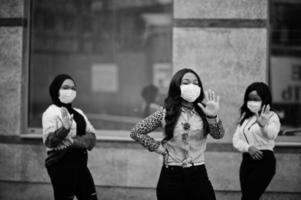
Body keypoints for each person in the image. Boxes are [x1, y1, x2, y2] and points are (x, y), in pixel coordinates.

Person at [130, 68, 225, 200]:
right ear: (177, 86)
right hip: (171, 176)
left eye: (195, 83)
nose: (192, 86)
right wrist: (157, 147)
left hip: (198, 173)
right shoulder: (165, 112)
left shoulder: (205, 111)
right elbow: (136, 131)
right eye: (186, 83)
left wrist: (212, 117)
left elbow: (219, 135)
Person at [42, 74, 98, 200]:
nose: (70, 91)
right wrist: (65, 129)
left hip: (81, 165)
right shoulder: (51, 112)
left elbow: (92, 138)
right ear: (56, 89)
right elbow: (50, 141)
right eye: (65, 87)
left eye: (73, 88)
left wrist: (72, 142)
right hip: (61, 166)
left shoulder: (79, 113)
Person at [232, 82, 281, 200]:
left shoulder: (272, 116)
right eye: (249, 99)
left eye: (256, 99)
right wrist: (248, 148)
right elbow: (236, 139)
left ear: (264, 99)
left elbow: (272, 135)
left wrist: (263, 126)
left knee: (249, 197)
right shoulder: (245, 116)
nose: (252, 102)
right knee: (247, 196)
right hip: (247, 160)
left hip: (264, 161)